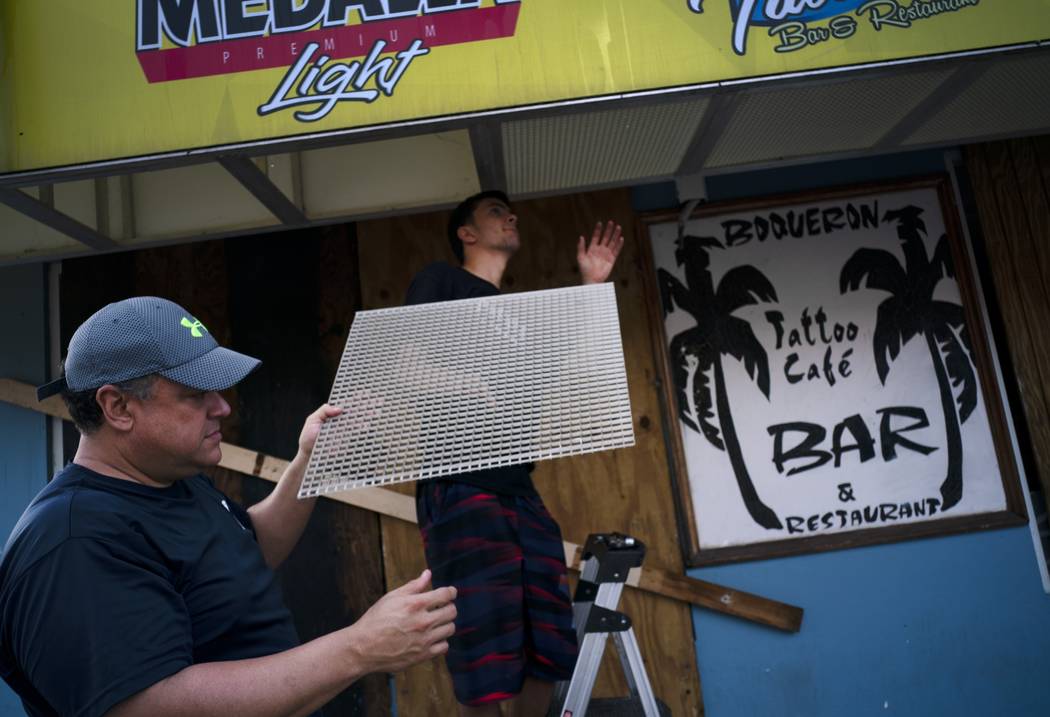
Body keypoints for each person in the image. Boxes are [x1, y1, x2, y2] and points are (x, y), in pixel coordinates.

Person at [0, 296, 457, 717]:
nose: (222, 407)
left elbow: (248, 551)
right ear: (118, 406)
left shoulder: (171, 480)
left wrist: (309, 464)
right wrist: (358, 647)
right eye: (195, 394)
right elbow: (153, 704)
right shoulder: (74, 540)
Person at [405, 191, 624, 716]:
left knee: (545, 644)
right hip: (460, 485)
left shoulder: (520, 316)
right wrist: (465, 384)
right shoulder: (441, 280)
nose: (512, 216)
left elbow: (557, 376)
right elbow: (402, 367)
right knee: (485, 650)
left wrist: (592, 284)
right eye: (496, 211)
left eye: (511, 211)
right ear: (467, 233)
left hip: (519, 490)